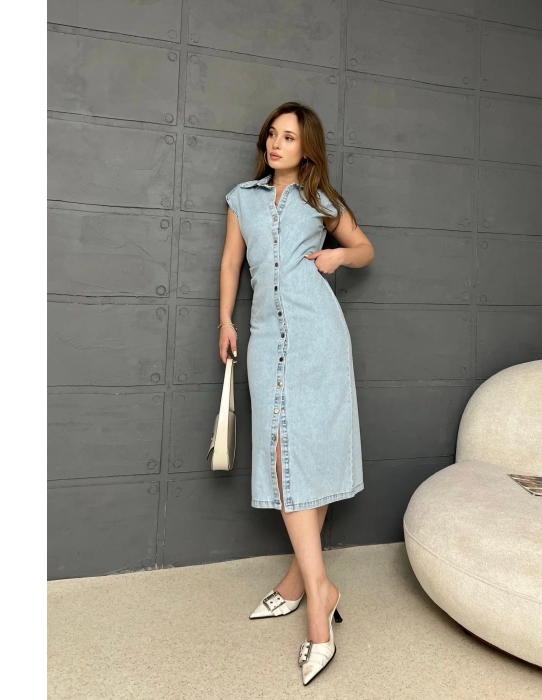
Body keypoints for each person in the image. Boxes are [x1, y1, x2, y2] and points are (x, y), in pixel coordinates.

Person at [218, 102, 375, 685]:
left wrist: (339, 255)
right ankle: (317, 585)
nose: (276, 143)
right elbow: (230, 264)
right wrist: (225, 321)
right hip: (265, 338)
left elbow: (365, 249)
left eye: (288, 136)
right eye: (272, 134)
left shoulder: (320, 199)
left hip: (319, 336)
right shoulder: (243, 199)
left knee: (311, 451)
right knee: (285, 455)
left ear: (306, 146)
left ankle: (308, 597)